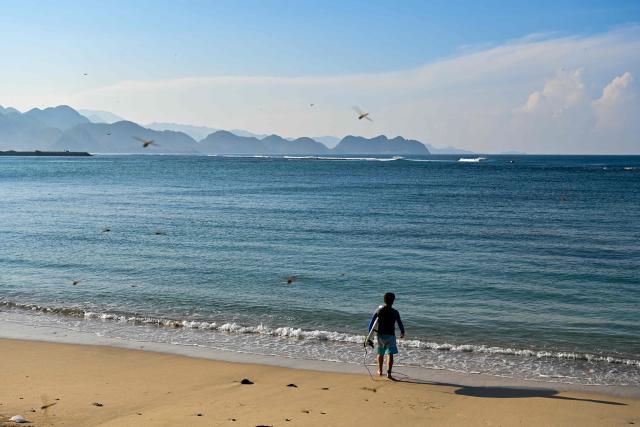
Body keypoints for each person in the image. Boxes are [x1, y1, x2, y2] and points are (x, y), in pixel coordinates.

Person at [368, 292, 405, 379]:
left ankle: (380, 370)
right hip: (391, 336)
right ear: (393, 301)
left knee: (380, 353)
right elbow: (400, 323)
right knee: (390, 354)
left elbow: (371, 324)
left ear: (384, 300)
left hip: (381, 335)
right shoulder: (395, 312)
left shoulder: (378, 311)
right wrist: (402, 332)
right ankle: (389, 373)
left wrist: (370, 335)